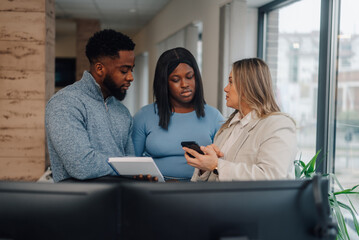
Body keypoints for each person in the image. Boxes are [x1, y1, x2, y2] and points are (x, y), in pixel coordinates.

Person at [184, 58, 297, 181]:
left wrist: (216, 165)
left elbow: (272, 176)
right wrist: (204, 167)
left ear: (248, 86)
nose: (226, 88)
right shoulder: (227, 128)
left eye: (231, 82)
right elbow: (210, 177)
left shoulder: (278, 125)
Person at [45, 29, 136, 182]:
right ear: (100, 69)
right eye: (124, 70)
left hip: (121, 200)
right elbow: (82, 165)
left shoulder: (123, 112)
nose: (131, 77)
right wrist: (126, 167)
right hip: (80, 203)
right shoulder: (65, 103)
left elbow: (132, 162)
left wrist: (134, 169)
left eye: (132, 70)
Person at [132, 47, 224, 181]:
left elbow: (224, 164)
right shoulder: (144, 116)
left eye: (189, 77)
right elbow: (131, 162)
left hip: (200, 191)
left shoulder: (214, 116)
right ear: (164, 84)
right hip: (155, 191)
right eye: (175, 79)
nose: (184, 84)